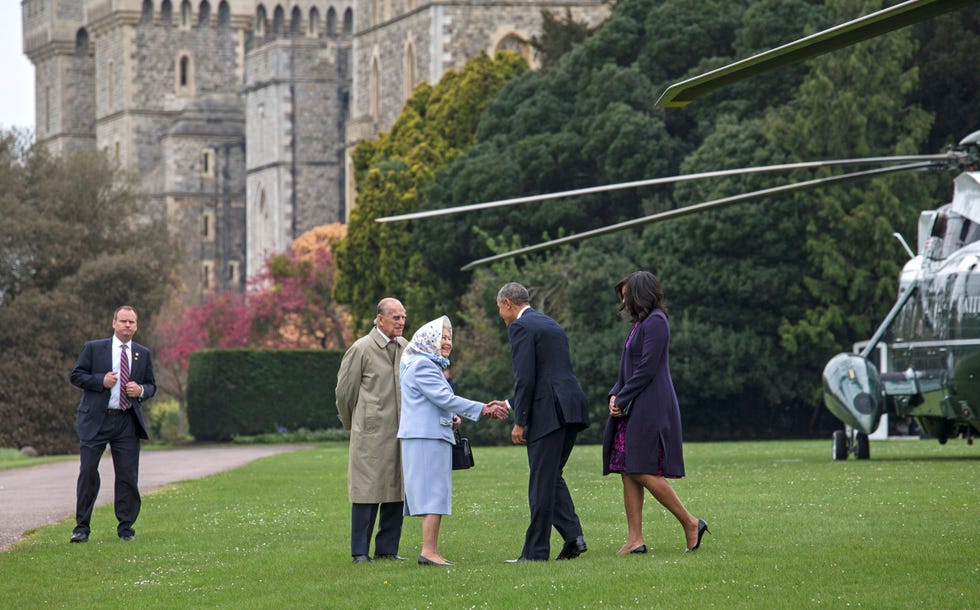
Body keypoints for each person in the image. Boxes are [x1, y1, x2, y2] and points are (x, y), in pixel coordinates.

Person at [603, 271, 708, 554]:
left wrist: (623, 398)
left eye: (627, 295)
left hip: (650, 406)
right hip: (632, 405)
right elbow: (627, 368)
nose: (624, 301)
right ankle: (634, 539)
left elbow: (648, 367)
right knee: (627, 469)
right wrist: (615, 393)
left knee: (642, 468)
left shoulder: (657, 322)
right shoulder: (639, 325)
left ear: (641, 294)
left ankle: (690, 522)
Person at [398, 316, 507, 566]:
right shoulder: (424, 366)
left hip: (429, 435)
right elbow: (445, 398)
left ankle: (432, 550)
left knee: (434, 494)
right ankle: (428, 552)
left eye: (449, 338)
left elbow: (434, 402)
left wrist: (451, 417)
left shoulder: (424, 364)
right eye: (442, 337)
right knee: (433, 494)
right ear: (429, 340)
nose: (447, 342)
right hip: (426, 439)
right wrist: (482, 408)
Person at [496, 282, 590, 562]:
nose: (501, 314)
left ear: (508, 304)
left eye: (499, 308)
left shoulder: (520, 327)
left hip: (548, 414)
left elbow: (526, 377)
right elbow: (548, 373)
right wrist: (510, 402)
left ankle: (536, 553)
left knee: (540, 482)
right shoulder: (549, 323)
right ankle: (574, 537)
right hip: (571, 408)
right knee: (550, 478)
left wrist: (520, 420)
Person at [69, 305, 156, 543]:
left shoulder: (142, 353)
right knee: (88, 472)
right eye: (123, 321)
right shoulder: (94, 348)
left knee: (127, 476)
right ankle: (81, 527)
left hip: (127, 420)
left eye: (132, 322)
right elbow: (76, 375)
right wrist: (100, 380)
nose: (127, 325)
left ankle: (126, 529)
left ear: (136, 326)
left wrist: (140, 390)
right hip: (96, 419)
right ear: (114, 323)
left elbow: (151, 386)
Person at [336, 298, 408, 563]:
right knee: (366, 492)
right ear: (379, 318)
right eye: (395, 318)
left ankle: (388, 550)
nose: (401, 322)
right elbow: (344, 393)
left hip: (401, 432)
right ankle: (360, 552)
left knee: (396, 489)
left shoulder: (406, 347)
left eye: (403, 317)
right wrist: (353, 424)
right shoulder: (361, 349)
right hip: (370, 432)